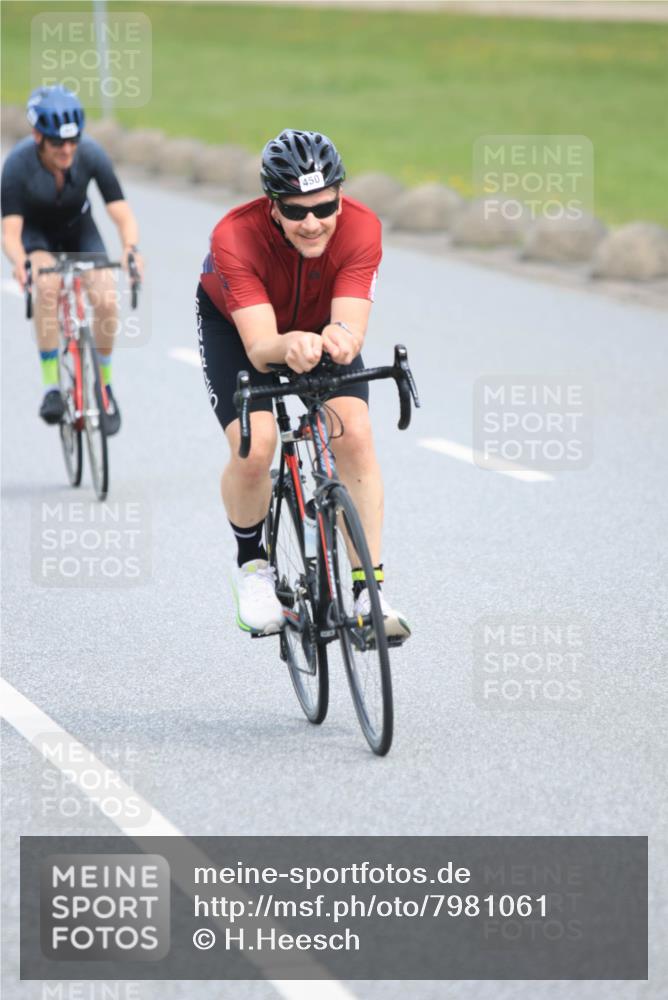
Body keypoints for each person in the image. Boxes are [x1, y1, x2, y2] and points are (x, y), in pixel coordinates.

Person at [197, 128, 410, 640]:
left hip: (315, 324)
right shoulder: (234, 237)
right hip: (242, 330)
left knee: (353, 432)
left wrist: (340, 337)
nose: (312, 223)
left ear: (340, 195)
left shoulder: (362, 228)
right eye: (296, 211)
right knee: (257, 446)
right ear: (273, 207)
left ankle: (368, 591)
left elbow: (351, 325)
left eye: (324, 206)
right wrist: (287, 343)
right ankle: (252, 567)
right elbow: (260, 346)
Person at [1, 84, 144, 432]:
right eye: (57, 144)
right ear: (38, 137)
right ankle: (52, 387)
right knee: (47, 286)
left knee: (107, 299)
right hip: (39, 237)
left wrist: (130, 249)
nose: (67, 150)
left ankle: (104, 385)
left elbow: (121, 212)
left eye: (72, 141)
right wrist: (21, 263)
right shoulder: (18, 166)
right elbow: (11, 234)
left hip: (80, 230)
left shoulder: (91, 153)